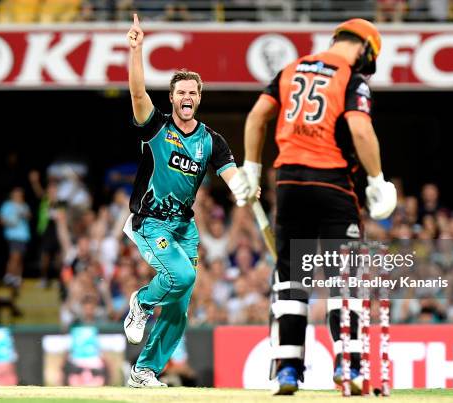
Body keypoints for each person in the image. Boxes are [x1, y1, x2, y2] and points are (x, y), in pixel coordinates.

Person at [240, 18, 397, 395]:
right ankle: (349, 365)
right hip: (333, 186)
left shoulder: (289, 70)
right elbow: (360, 130)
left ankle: (287, 373)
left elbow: (257, 116)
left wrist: (251, 167)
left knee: (292, 281)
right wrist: (377, 180)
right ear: (364, 49)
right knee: (343, 280)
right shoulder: (352, 79)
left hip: (289, 184)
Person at [121, 14, 251, 388]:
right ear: (172, 98)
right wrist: (136, 49)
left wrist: (245, 189)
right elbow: (136, 93)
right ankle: (142, 304)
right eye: (181, 92)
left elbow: (231, 176)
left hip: (185, 228)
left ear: (199, 98)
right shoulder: (156, 126)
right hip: (150, 221)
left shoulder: (211, 139)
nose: (187, 97)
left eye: (193, 92)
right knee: (182, 275)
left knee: (180, 304)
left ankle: (144, 371)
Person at [0, 187, 31, 288]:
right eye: (16, 194)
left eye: (20, 194)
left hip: (23, 235)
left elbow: (29, 216)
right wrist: (9, 222)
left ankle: (17, 278)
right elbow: (1, 219)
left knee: (20, 258)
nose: (18, 196)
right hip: (13, 235)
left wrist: (23, 212)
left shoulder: (24, 205)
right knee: (14, 256)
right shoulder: (7, 205)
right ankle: (9, 276)